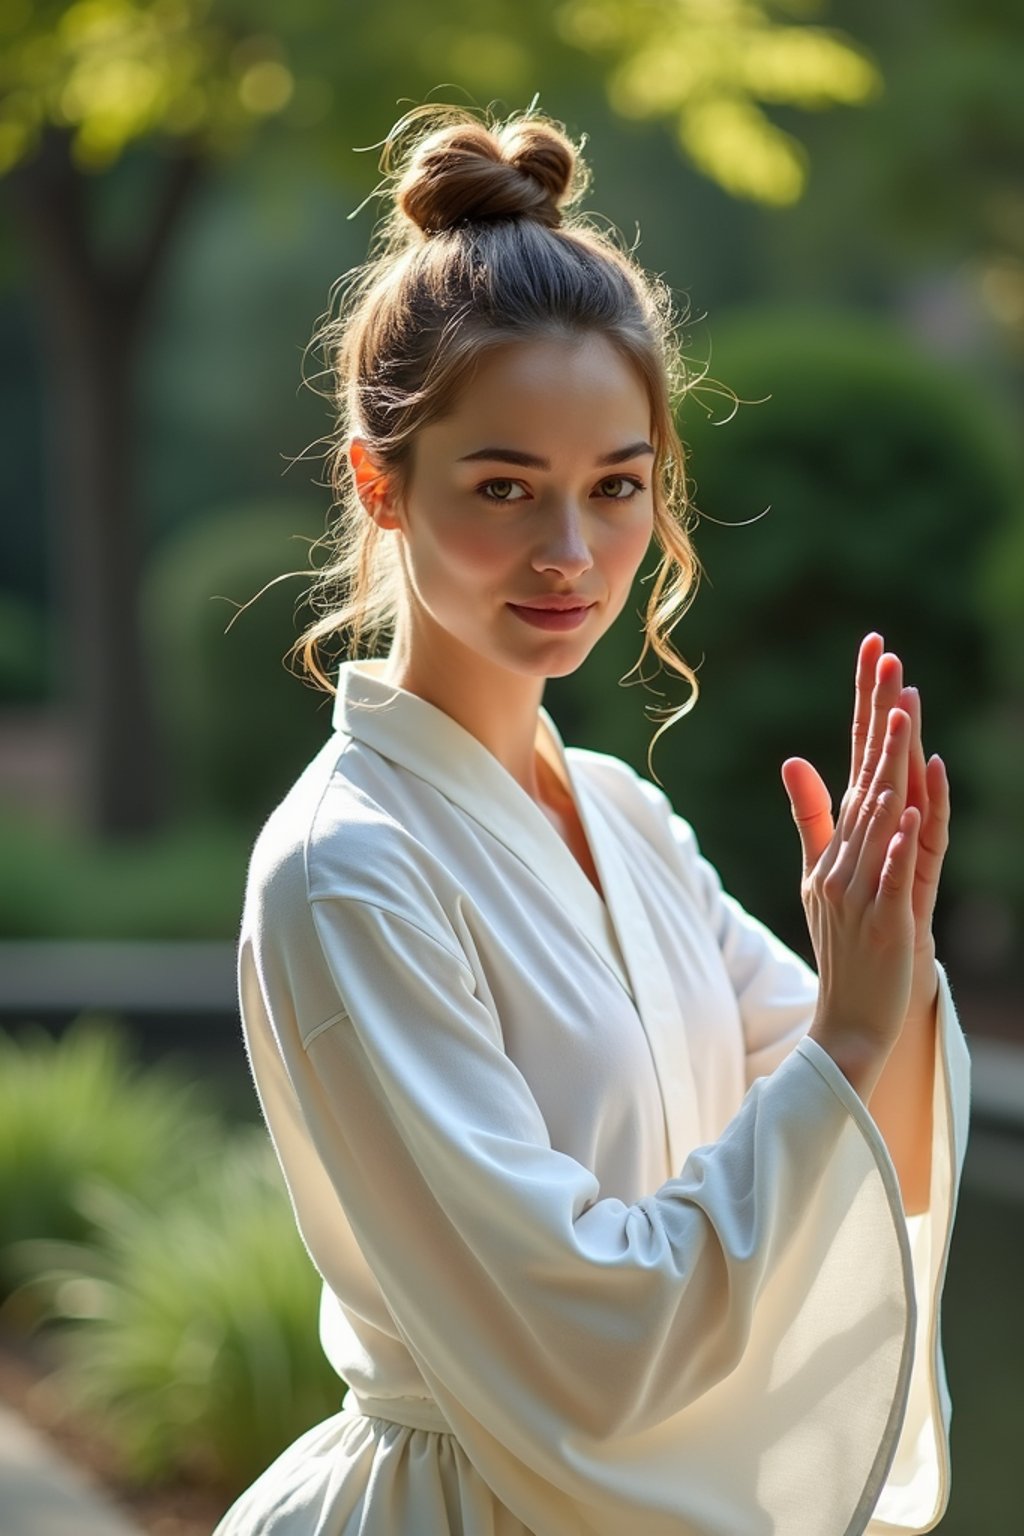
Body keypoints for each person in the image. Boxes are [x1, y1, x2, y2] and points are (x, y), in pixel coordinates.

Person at [212, 101, 970, 1536]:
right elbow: (588, 1345)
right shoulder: (346, 872)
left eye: (617, 488)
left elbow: (881, 1163)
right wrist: (857, 1030)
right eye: (505, 488)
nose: (572, 555)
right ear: (383, 484)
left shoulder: (623, 816)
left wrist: (887, 963)